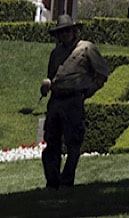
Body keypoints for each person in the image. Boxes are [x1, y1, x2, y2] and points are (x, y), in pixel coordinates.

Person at [40, 14, 110, 189]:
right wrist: (46, 84)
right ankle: (52, 180)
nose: (64, 35)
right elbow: (51, 76)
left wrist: (89, 91)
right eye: (61, 32)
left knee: (73, 142)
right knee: (51, 141)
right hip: (56, 100)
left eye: (67, 31)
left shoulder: (86, 48)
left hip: (74, 100)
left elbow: (102, 74)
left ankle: (67, 180)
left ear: (74, 31)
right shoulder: (56, 53)